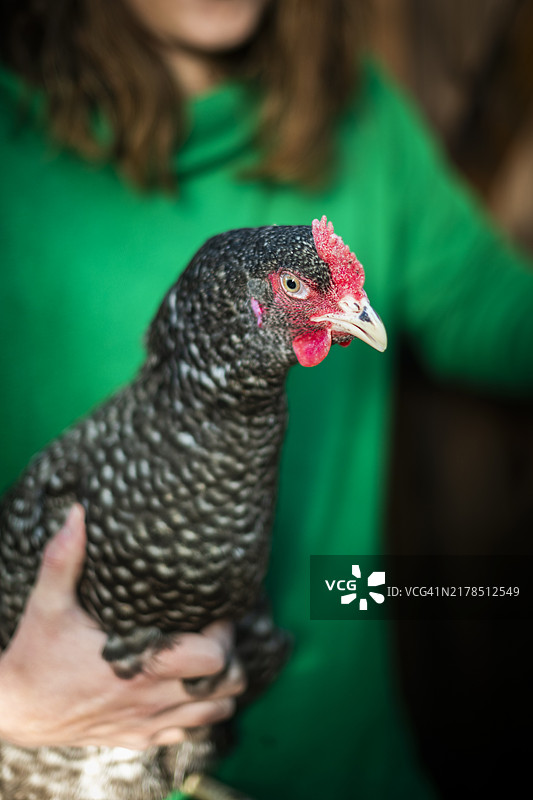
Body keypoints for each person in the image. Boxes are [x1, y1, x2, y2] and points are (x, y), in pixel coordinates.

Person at [0, 1, 532, 798]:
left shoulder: (356, 117)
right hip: (74, 768)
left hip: (338, 757)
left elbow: (489, 311)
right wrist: (12, 708)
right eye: (293, 286)